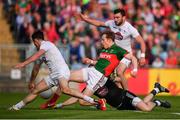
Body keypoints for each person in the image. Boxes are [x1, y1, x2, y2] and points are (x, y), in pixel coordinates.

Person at [40, 30, 138, 110]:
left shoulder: (118, 50)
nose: (101, 42)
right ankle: (52, 102)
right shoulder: (104, 50)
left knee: (82, 102)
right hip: (91, 70)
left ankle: (99, 102)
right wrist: (90, 61)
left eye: (103, 40)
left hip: (98, 76)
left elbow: (132, 57)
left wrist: (135, 69)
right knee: (65, 76)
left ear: (108, 40)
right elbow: (100, 63)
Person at [8, 30, 101, 110]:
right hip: (54, 74)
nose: (34, 45)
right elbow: (36, 68)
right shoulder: (41, 51)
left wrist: (23, 64)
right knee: (35, 90)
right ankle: (17, 107)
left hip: (62, 71)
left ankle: (93, 101)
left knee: (65, 90)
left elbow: (35, 57)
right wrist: (31, 81)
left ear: (36, 40)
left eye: (34, 42)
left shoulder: (46, 45)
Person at [78, 8, 146, 90]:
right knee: (115, 79)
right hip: (114, 54)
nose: (115, 19)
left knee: (119, 72)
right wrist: (86, 19)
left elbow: (142, 41)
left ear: (124, 17)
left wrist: (142, 56)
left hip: (125, 54)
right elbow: (99, 24)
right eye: (114, 17)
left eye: (118, 17)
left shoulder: (130, 28)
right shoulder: (111, 23)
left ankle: (127, 93)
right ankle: (122, 96)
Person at [55, 79, 171, 112]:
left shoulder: (104, 78)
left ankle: (157, 102)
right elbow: (76, 97)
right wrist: (60, 105)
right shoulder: (90, 88)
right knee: (144, 105)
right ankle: (156, 89)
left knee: (146, 109)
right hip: (120, 106)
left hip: (125, 96)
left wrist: (119, 79)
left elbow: (119, 78)